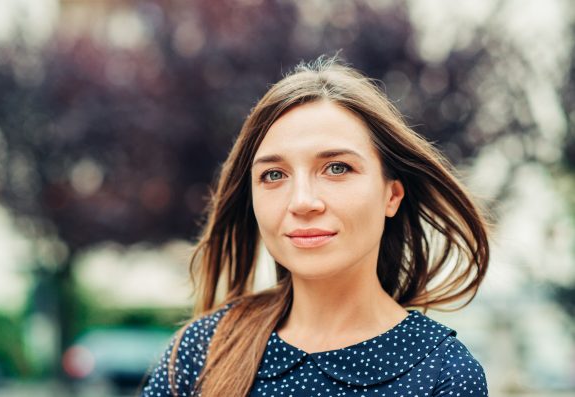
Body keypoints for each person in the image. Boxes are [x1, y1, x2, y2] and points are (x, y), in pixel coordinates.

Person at [140, 56, 490, 396]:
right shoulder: (201, 351)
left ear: (391, 195)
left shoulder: (443, 374)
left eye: (337, 168)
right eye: (274, 175)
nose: (302, 201)